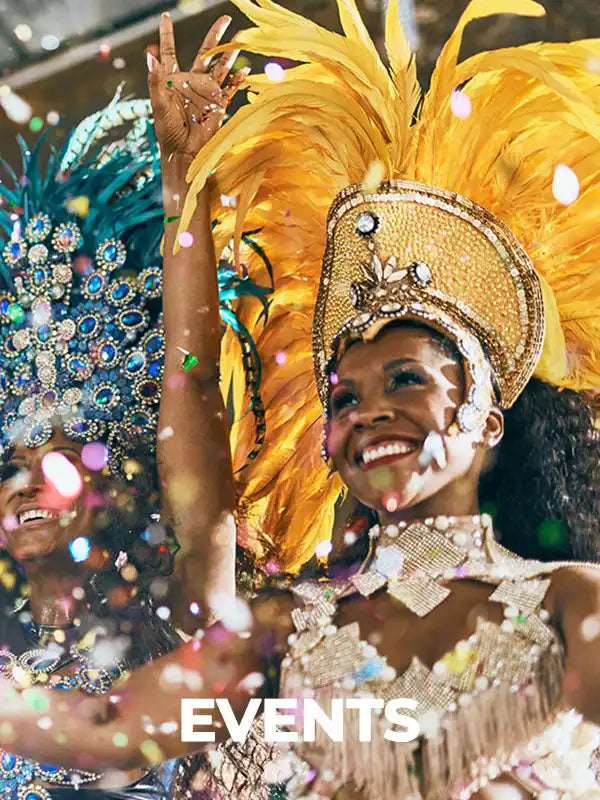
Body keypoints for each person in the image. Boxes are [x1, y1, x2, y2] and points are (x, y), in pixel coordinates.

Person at [4, 1, 600, 798]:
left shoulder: (569, 602)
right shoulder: (281, 632)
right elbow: (104, 730)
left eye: (406, 380)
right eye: (343, 397)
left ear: (488, 421)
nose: (367, 412)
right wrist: (190, 196)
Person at [0, 21, 260, 799]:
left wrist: (184, 183)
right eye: (6, 467)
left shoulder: (185, 602)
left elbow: (192, 379)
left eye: (49, 460)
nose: (20, 483)